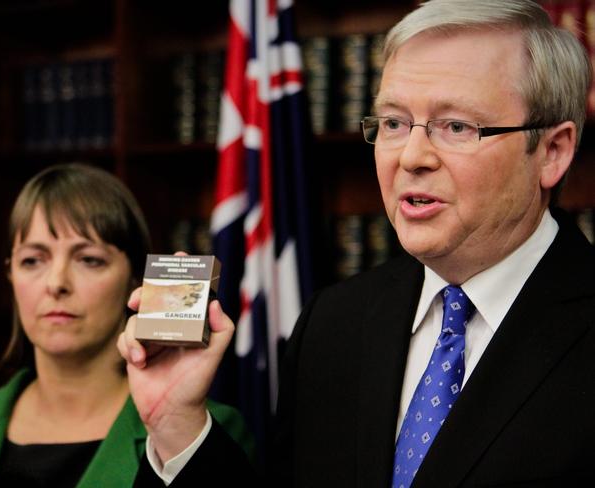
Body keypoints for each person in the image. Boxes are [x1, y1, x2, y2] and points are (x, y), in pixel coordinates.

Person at [119, 0, 595, 486]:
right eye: (393, 123)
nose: (411, 157)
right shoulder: (332, 324)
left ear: (552, 152)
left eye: (456, 126)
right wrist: (177, 424)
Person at [0, 163, 254, 486]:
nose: (56, 283)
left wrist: (175, 425)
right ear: (11, 276)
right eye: (32, 260)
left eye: (89, 259)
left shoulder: (202, 430)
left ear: (134, 278)